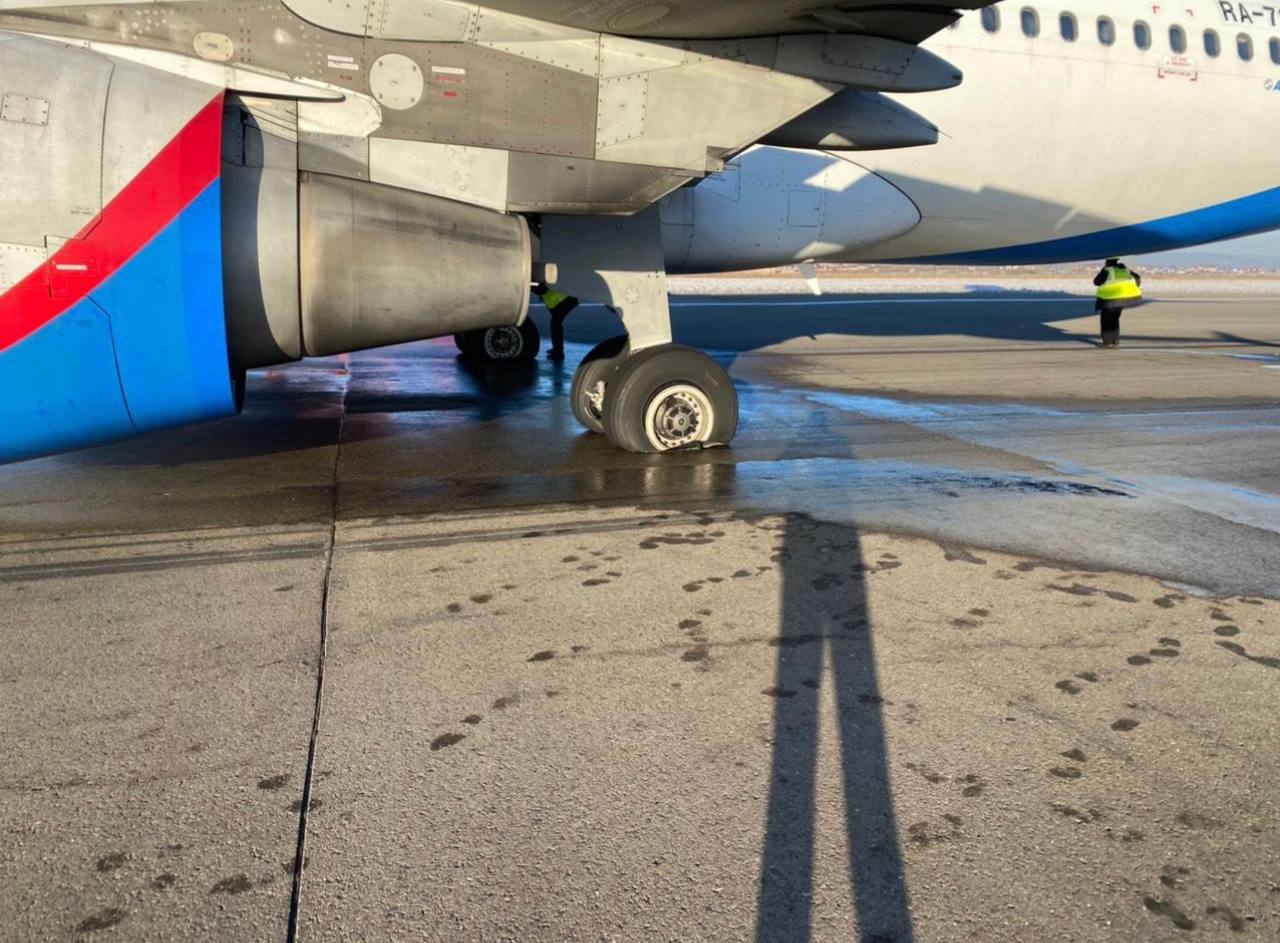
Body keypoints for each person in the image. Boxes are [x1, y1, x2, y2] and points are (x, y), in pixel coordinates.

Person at [1092, 258, 1143, 348]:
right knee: (1115, 320)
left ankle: (1107, 342)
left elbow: (1096, 282)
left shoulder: (1107, 270)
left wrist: (1103, 270)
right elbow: (1138, 279)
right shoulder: (1124, 270)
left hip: (1109, 299)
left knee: (1106, 322)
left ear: (1107, 263)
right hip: (1121, 300)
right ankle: (1115, 341)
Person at [532, 284, 579, 361]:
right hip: (561, 301)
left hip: (563, 300)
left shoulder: (541, 282)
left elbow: (542, 289)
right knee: (556, 325)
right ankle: (557, 349)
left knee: (556, 325)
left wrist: (531, 288)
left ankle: (558, 352)